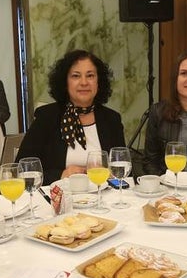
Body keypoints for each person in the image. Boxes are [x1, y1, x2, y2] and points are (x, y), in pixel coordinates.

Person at [17, 50, 125, 184]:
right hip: (59, 197)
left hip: (103, 196)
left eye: (90, 75)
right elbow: (22, 170)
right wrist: (61, 174)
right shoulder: (46, 117)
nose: (84, 82)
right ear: (65, 82)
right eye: (76, 76)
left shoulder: (112, 119)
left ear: (99, 82)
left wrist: (111, 174)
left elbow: (124, 168)